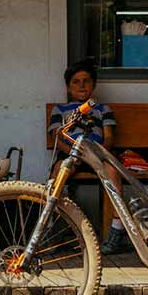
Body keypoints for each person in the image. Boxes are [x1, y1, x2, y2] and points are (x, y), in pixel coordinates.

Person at [47, 58, 129, 255]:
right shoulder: (60, 109)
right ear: (68, 87)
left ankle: (116, 232)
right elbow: (57, 137)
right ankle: (55, 226)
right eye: (76, 81)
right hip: (71, 153)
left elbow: (109, 138)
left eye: (86, 81)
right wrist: (76, 153)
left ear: (93, 85)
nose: (81, 85)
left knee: (113, 173)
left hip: (98, 154)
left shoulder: (103, 109)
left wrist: (95, 153)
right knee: (58, 173)